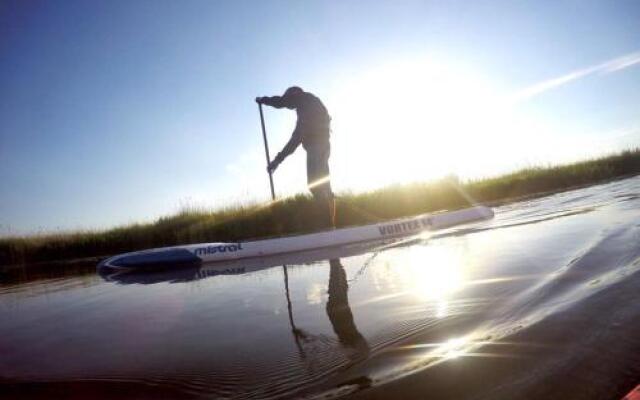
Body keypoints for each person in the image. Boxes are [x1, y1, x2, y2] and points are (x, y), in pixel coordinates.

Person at [256, 86, 335, 228]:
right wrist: (277, 161)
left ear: (295, 96)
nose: (290, 106)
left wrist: (264, 100)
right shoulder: (307, 103)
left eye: (290, 103)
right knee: (324, 187)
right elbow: (296, 136)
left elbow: (295, 138)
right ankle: (331, 227)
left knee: (315, 185)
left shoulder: (306, 103)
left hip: (317, 147)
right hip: (323, 146)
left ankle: (327, 226)